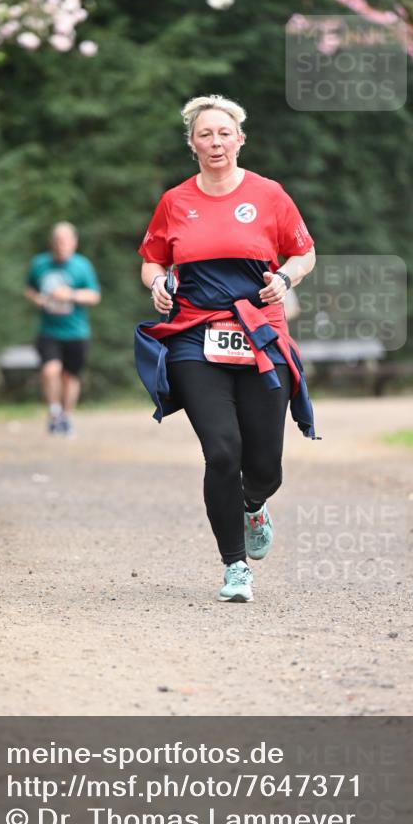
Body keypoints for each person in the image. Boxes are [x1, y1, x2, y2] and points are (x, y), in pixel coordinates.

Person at [135, 95, 318, 603]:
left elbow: (304, 251)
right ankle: (235, 566)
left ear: (240, 138)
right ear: (191, 144)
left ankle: (254, 503)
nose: (215, 142)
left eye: (223, 133)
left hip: (260, 332)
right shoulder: (175, 201)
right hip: (196, 334)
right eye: (204, 135)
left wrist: (284, 277)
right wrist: (156, 284)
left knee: (264, 464)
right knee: (221, 451)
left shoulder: (269, 194)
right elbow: (152, 259)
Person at [24, 222, 101, 434]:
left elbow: (95, 295)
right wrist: (37, 299)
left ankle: (67, 417)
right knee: (50, 371)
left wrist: (71, 295)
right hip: (49, 330)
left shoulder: (82, 266)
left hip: (76, 332)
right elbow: (28, 289)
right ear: (52, 242)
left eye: (66, 241)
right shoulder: (39, 264)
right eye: (58, 241)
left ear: (74, 243)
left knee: (70, 376)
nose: (61, 245)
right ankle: (54, 411)